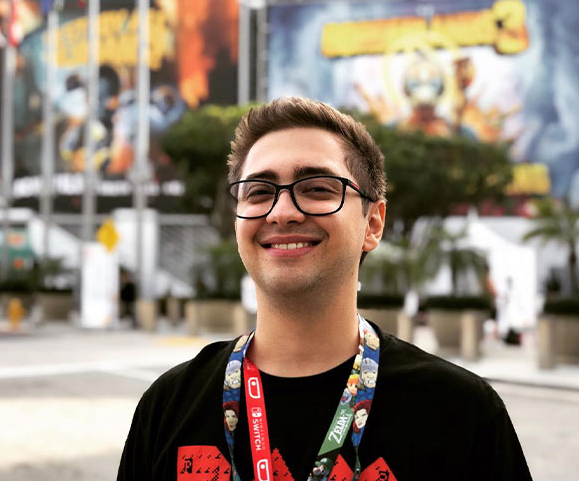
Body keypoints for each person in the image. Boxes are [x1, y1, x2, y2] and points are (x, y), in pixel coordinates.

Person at [117, 97, 532, 481]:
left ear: (373, 223)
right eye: (259, 192)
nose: (282, 213)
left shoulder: (462, 414)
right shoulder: (167, 408)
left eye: (317, 189)